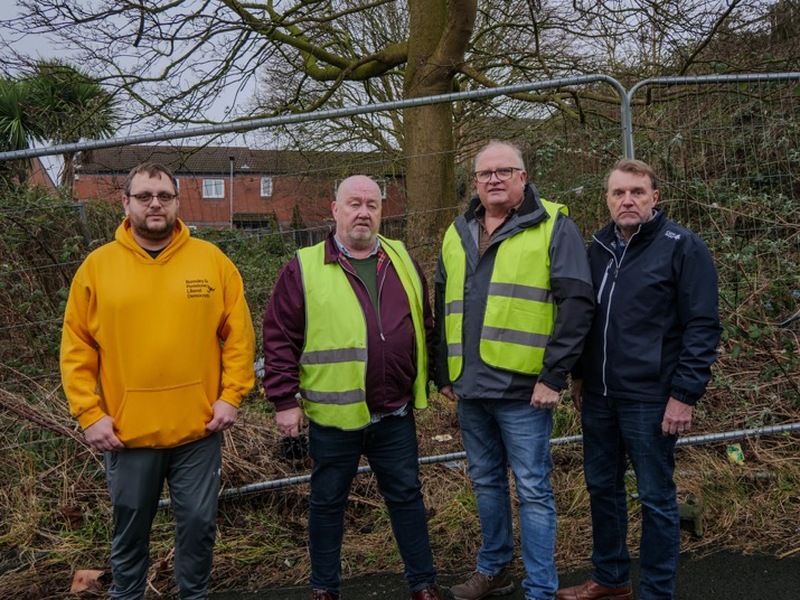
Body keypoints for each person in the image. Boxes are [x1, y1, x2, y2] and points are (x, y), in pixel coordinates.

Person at [60, 162, 256, 600]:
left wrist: (231, 396)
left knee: (199, 526)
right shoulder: (97, 268)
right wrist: (90, 415)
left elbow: (239, 335)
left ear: (176, 203)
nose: (155, 204)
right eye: (145, 196)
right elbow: (77, 349)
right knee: (130, 530)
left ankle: (195, 595)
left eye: (164, 196)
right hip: (128, 435)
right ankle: (127, 596)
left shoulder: (212, 262)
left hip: (198, 429)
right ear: (125, 202)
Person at [261, 175, 441, 600]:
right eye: (354, 203)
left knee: (406, 498)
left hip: (395, 413)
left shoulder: (401, 257)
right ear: (335, 209)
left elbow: (425, 325)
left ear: (382, 210)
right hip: (333, 417)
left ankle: (423, 583)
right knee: (327, 504)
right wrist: (284, 400)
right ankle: (325, 588)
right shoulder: (303, 266)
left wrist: (438, 376)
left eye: (372, 204)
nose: (364, 212)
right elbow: (279, 337)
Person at [435, 141, 595, 600]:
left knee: (532, 489)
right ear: (476, 182)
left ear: (523, 177)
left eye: (505, 170)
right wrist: (443, 373)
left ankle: (541, 588)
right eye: (485, 173)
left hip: (526, 390)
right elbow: (441, 304)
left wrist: (554, 376)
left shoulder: (552, 225)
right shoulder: (457, 231)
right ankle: (494, 568)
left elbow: (577, 303)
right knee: (485, 483)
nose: (494, 179)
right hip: (470, 387)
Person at [556, 159, 721, 600]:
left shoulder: (682, 247)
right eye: (618, 193)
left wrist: (684, 395)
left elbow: (703, 326)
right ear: (607, 200)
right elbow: (586, 318)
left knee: (655, 498)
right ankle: (611, 579)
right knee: (602, 489)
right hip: (599, 398)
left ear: (654, 198)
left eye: (637, 192)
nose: (627, 200)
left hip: (652, 399)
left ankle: (656, 591)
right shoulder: (597, 248)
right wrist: (579, 374)